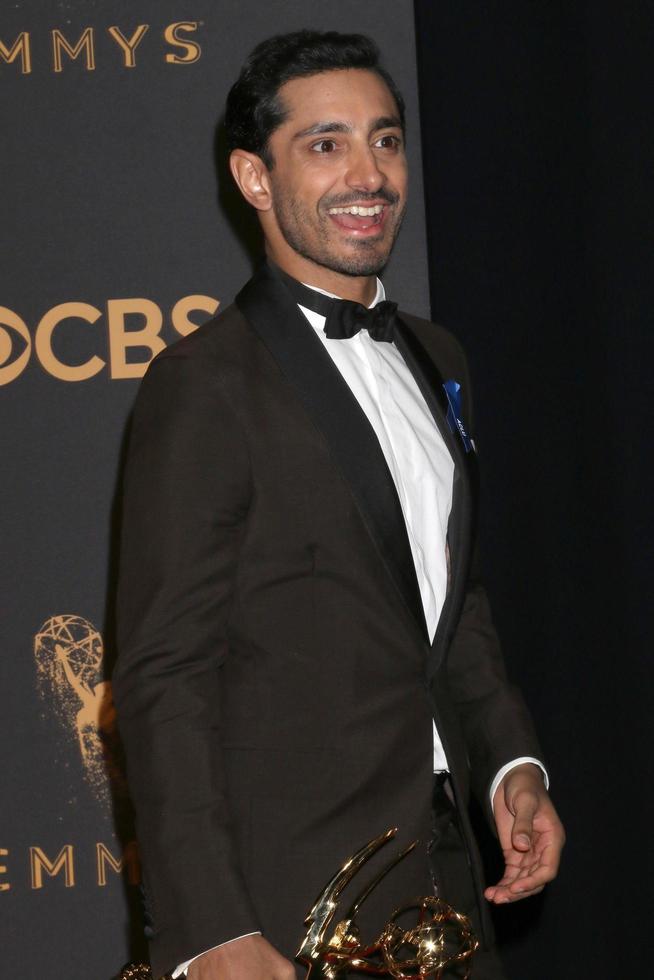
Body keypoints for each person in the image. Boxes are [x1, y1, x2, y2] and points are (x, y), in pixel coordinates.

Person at [113, 30, 565, 980]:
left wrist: (512, 770)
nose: (369, 173)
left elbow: (452, 606)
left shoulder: (440, 360)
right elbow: (164, 675)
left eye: (386, 140)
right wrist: (208, 931)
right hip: (284, 907)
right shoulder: (205, 385)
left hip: (444, 890)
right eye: (326, 144)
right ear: (255, 176)